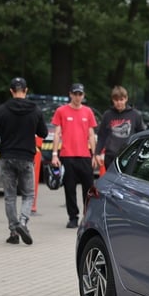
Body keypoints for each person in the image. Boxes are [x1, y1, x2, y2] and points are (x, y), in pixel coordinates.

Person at [0, 77, 48, 245]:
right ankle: (23, 222)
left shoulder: (2, 110)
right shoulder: (35, 110)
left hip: (7, 158)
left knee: (10, 196)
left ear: (11, 91)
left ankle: (14, 231)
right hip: (26, 158)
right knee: (28, 194)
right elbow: (44, 133)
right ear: (26, 90)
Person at [51, 83, 98, 228]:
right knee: (69, 188)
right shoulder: (61, 111)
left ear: (83, 96)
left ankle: (88, 216)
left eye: (80, 94)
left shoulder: (88, 111)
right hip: (67, 155)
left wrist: (94, 155)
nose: (78, 97)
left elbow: (91, 134)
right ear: (70, 94)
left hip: (84, 156)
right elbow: (57, 133)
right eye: (75, 94)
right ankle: (73, 217)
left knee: (88, 189)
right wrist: (54, 154)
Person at [96, 85, 146, 167]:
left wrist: (140, 152)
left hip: (128, 155)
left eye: (121, 100)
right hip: (111, 156)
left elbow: (142, 135)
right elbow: (101, 136)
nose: (119, 102)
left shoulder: (135, 115)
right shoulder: (107, 115)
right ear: (112, 100)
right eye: (116, 100)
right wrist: (97, 153)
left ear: (126, 99)